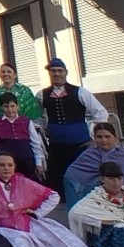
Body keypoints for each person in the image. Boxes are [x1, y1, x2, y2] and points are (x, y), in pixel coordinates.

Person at [0, 151, 97, 247]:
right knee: (21, 245)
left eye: (10, 165)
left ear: (14, 167)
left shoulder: (22, 181)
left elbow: (53, 196)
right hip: (2, 228)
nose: (6, 168)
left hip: (27, 223)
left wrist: (37, 213)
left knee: (62, 240)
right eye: (2, 165)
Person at [40, 58, 108, 194]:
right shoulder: (42, 95)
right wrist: (46, 132)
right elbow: (39, 118)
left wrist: (95, 138)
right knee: (59, 175)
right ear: (49, 73)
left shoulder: (81, 92)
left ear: (66, 72)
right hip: (56, 145)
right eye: (53, 71)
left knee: (81, 175)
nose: (57, 74)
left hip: (79, 145)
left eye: (60, 71)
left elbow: (100, 113)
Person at [63, 121, 124, 208]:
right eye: (99, 137)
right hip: (99, 201)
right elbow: (71, 175)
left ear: (115, 138)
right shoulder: (87, 156)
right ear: (94, 138)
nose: (103, 140)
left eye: (107, 136)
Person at [0, 93, 45, 182]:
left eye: (12, 106)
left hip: (26, 160)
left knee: (29, 183)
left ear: (17, 106)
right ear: (1, 107)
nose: (10, 109)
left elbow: (35, 143)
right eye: (6, 107)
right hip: (7, 163)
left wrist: (38, 163)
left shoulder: (26, 121)